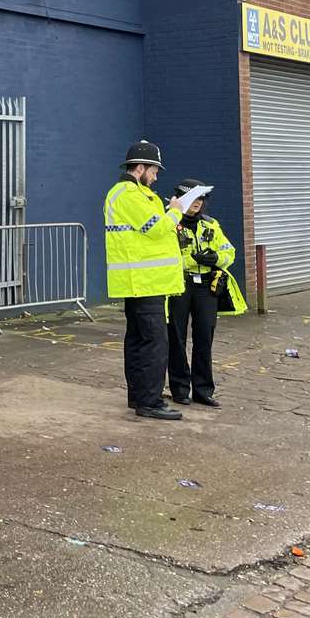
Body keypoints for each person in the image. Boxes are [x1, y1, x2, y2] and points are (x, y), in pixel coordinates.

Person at [104, 139, 186, 420]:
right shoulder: (129, 195)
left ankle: (139, 396)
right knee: (154, 343)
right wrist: (175, 209)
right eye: (154, 170)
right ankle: (149, 401)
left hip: (140, 281)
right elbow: (156, 229)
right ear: (140, 168)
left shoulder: (130, 194)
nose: (157, 175)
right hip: (145, 282)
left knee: (138, 341)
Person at [168, 179, 246, 409]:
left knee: (205, 337)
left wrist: (215, 259)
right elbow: (164, 255)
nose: (198, 203)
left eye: (201, 199)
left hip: (206, 286)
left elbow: (228, 252)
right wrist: (188, 260)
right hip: (179, 283)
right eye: (194, 198)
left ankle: (203, 390)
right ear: (183, 199)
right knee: (176, 338)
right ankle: (180, 389)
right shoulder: (170, 223)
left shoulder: (211, 224)